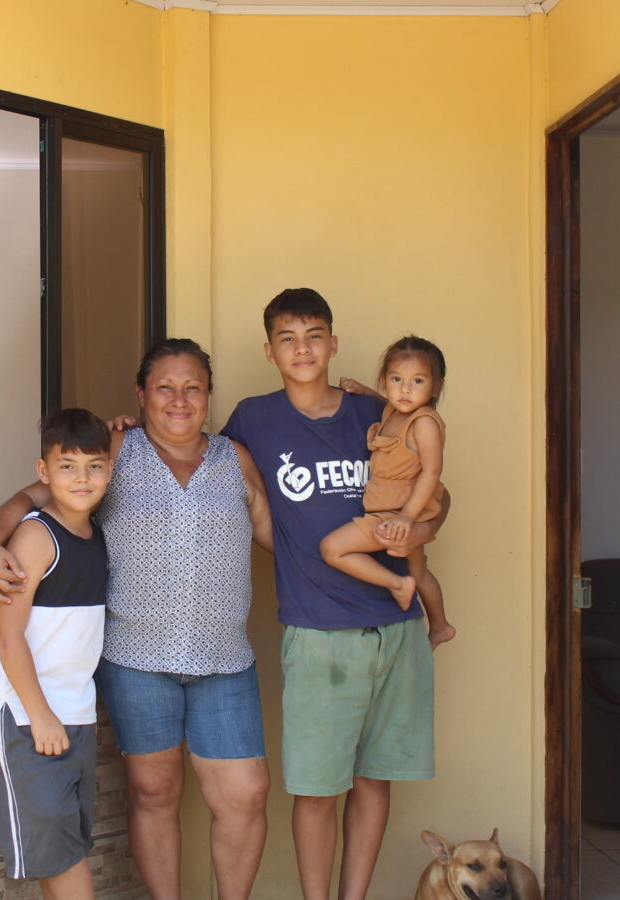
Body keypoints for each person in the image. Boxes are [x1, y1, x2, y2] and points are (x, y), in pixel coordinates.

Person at [0, 339, 276, 900]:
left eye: (193, 387)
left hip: (225, 660)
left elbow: (277, 537)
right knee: (154, 793)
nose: (179, 400)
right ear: (141, 395)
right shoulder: (117, 451)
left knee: (246, 792)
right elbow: (34, 496)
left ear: (209, 395)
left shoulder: (233, 458)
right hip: (136, 660)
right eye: (165, 387)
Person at [219, 288, 446, 900]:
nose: (303, 349)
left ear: (334, 343)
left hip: (396, 628)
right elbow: (202, 467)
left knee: (375, 780)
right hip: (317, 631)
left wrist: (419, 530)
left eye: (315, 335)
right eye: (288, 338)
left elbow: (434, 496)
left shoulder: (376, 415)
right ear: (269, 350)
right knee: (317, 789)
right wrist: (125, 432)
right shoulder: (253, 419)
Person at [0, 409, 114, 900]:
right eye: (67, 466)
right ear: (43, 472)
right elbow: (8, 637)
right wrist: (40, 715)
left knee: (65, 848)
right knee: (64, 855)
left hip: (70, 711)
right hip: (26, 715)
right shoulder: (37, 537)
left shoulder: (95, 533)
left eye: (95, 466)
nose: (82, 478)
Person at [327, 335, 455, 648]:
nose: (405, 389)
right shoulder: (395, 412)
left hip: (395, 514)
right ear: (385, 381)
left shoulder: (424, 423)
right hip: (394, 510)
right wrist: (364, 391)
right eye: (396, 379)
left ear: (436, 386)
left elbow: (432, 471)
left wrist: (407, 518)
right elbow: (389, 406)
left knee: (333, 549)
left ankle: (397, 584)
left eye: (418, 380)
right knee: (420, 570)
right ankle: (440, 626)